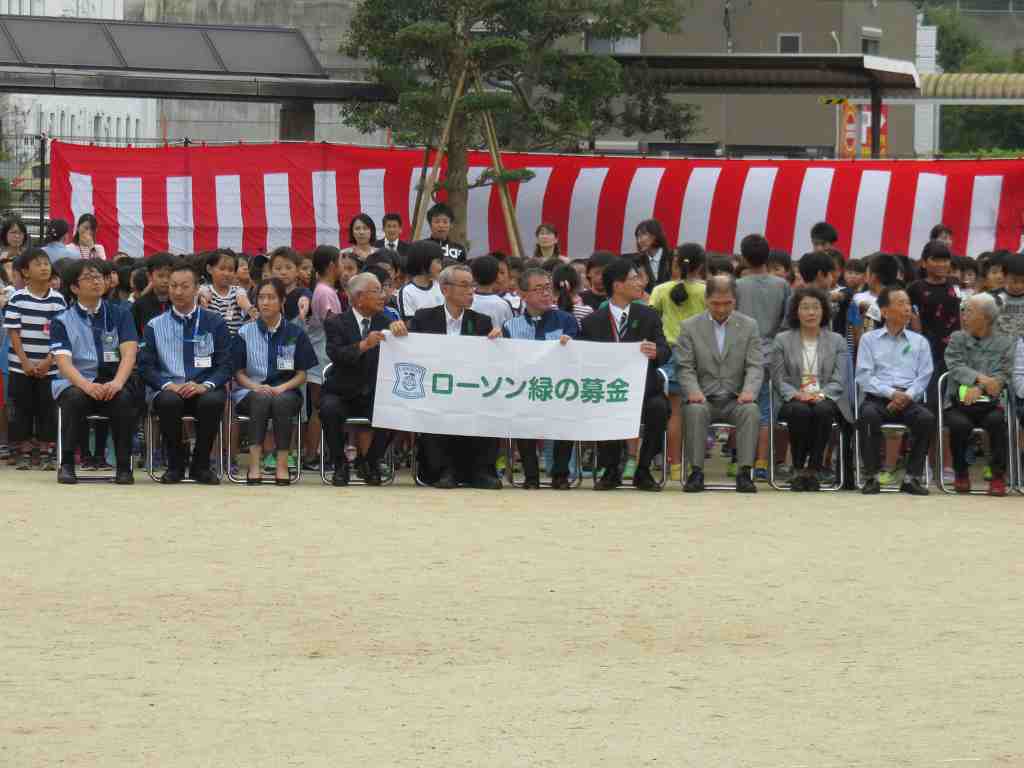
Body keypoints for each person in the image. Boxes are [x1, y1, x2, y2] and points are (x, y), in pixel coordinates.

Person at [398, 264, 500, 488]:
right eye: (464, 285)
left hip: (469, 389)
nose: (471, 290)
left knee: (491, 406)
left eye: (472, 285)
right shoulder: (424, 318)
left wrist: (497, 342)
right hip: (436, 389)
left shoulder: (481, 322)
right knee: (435, 409)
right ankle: (443, 470)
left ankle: (481, 471)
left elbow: (490, 362)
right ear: (445, 289)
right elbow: (412, 354)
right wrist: (397, 330)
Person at [579, 258, 671, 492]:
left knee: (659, 408)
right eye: (634, 278)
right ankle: (610, 470)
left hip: (643, 389)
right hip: (608, 389)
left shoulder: (649, 315)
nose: (640, 283)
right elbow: (582, 356)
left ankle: (643, 469)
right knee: (600, 405)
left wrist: (655, 352)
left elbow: (664, 349)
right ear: (618, 286)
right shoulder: (592, 322)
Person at [138, 260, 232, 484]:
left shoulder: (214, 322)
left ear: (197, 288)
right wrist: (166, 384)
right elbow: (145, 366)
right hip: (170, 387)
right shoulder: (154, 325)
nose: (178, 291)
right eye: (173, 286)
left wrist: (205, 385)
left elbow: (226, 364)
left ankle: (201, 464)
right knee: (169, 402)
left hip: (204, 386)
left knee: (212, 401)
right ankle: (175, 464)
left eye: (184, 286)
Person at [48, 259, 138, 485]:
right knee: (74, 399)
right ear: (74, 287)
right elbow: (63, 362)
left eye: (99, 276)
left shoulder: (121, 314)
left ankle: (124, 468)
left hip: (112, 381)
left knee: (124, 398)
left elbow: (129, 353)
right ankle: (67, 465)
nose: (96, 281)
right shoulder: (61, 320)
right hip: (77, 382)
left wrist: (117, 383)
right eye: (88, 277)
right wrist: (87, 386)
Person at [677, 275, 763, 493]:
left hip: (736, 398)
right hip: (704, 397)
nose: (722, 309)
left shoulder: (749, 325)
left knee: (751, 411)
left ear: (735, 300)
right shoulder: (689, 327)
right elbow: (685, 367)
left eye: (728, 303)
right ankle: (696, 472)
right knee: (694, 410)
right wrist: (694, 391)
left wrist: (749, 391)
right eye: (716, 303)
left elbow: (755, 365)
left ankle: (744, 472)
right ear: (706, 300)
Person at [232, 278, 317, 486]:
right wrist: (255, 386)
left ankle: (281, 464)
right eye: (261, 297)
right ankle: (254, 465)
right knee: (261, 398)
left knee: (281, 401)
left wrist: (282, 387)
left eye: (271, 297)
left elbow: (302, 374)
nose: (265, 302)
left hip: (286, 390)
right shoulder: (244, 332)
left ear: (282, 301)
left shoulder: (295, 333)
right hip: (250, 390)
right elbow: (238, 373)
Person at [501, 268, 579, 489]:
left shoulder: (567, 321)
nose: (546, 294)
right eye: (538, 289)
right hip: (525, 389)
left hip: (559, 388)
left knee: (567, 409)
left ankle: (560, 474)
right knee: (520, 409)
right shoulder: (510, 326)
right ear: (523, 295)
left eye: (548, 288)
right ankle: (531, 476)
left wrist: (570, 345)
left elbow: (578, 357)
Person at [770, 287, 852, 491]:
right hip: (792, 398)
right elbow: (778, 378)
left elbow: (839, 378)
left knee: (823, 410)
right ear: (795, 312)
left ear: (824, 311)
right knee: (800, 410)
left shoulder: (837, 341)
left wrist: (821, 394)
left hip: (826, 396)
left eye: (816, 307)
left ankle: (813, 469)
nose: (811, 313)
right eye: (805, 307)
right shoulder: (782, 340)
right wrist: (797, 394)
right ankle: (798, 469)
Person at [855, 286, 935, 496]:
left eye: (908, 303)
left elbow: (925, 375)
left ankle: (912, 477)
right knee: (868, 415)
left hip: (909, 398)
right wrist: (891, 393)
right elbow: (864, 376)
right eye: (901, 303)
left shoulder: (920, 341)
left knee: (926, 418)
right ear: (884, 311)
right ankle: (871, 476)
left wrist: (906, 396)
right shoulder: (869, 339)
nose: (907, 308)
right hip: (879, 398)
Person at [321, 273, 397, 486]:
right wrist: (364, 345)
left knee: (396, 410)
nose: (383, 296)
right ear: (359, 297)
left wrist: (401, 331)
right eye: (376, 291)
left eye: (383, 290)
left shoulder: (386, 320)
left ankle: (369, 461)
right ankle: (340, 464)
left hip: (374, 391)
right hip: (342, 389)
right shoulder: (336, 322)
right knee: (329, 409)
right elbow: (336, 354)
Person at [943, 293, 1014, 496]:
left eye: (969, 311)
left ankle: (998, 476)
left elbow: (1003, 374)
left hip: (990, 403)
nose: (963, 315)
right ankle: (961, 473)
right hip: (959, 402)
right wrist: (980, 380)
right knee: (959, 425)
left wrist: (980, 388)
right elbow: (955, 365)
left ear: (984, 317)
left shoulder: (1005, 342)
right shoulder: (957, 339)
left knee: (997, 422)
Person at [3, 247, 67, 470]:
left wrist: (48, 361)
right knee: (20, 408)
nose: (44, 267)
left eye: (46, 263)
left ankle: (46, 452)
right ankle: (21, 451)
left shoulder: (58, 300)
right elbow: (14, 333)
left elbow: (61, 335)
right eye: (38, 264)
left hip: (48, 368)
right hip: (20, 368)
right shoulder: (17, 298)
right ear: (25, 272)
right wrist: (26, 362)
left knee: (46, 409)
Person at [648, 244, 706, 481]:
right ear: (701, 265)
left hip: (669, 354)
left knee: (674, 414)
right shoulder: (706, 290)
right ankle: (696, 465)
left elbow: (651, 319)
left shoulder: (660, 290)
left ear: (674, 264)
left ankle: (674, 466)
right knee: (698, 411)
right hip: (700, 355)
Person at [735, 234, 791, 481]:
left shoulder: (737, 286)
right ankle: (761, 462)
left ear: (744, 258)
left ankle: (743, 461)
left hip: (743, 354)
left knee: (746, 407)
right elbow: (787, 321)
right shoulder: (782, 285)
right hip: (773, 351)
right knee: (768, 411)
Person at [201, 249, 253, 335]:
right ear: (209, 269)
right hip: (211, 343)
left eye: (230, 270)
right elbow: (201, 295)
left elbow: (242, 299)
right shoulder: (204, 289)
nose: (226, 273)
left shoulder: (238, 291)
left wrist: (250, 309)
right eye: (222, 268)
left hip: (232, 344)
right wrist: (202, 297)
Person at [396, 240, 444, 321]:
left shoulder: (441, 287)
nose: (440, 267)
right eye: (438, 262)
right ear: (424, 261)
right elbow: (409, 323)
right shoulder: (407, 291)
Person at [131, 252, 176, 335]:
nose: (165, 280)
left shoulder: (180, 302)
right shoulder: (140, 305)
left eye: (169, 276)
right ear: (149, 276)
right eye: (160, 276)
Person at [470, 254, 515, 330]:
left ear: (473, 275)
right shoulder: (503, 304)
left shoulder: (465, 300)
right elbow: (511, 330)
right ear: (496, 276)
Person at [269, 247, 311, 323]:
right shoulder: (269, 295)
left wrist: (305, 300)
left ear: (297, 271)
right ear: (271, 272)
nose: (283, 272)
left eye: (288, 268)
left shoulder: (303, 292)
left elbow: (306, 297)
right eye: (278, 269)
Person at [628, 219, 672, 287]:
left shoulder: (672, 257)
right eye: (638, 236)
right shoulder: (636, 262)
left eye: (643, 234)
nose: (639, 240)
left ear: (655, 235)